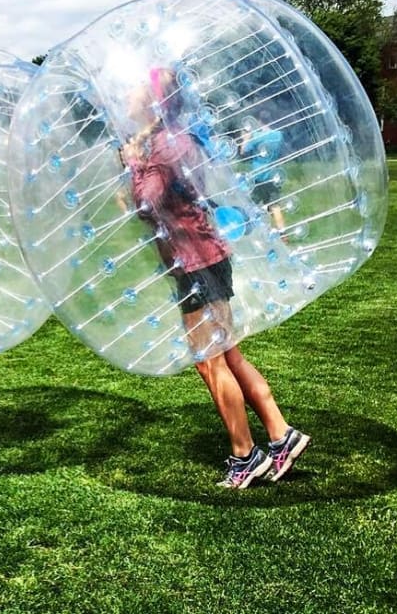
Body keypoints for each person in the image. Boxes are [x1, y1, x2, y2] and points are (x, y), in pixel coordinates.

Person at [121, 67, 309, 488]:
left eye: (135, 86)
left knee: (210, 362)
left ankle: (245, 455)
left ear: (155, 101)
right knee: (230, 355)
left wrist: (133, 167)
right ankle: (281, 435)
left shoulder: (165, 145)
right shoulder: (173, 139)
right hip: (206, 256)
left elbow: (148, 204)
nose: (127, 93)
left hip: (194, 263)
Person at [239, 109, 286, 234]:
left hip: (258, 176)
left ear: (259, 121)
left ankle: (245, 228)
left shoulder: (256, 137)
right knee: (275, 206)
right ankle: (283, 233)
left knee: (251, 204)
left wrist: (245, 138)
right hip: (272, 175)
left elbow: (243, 151)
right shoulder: (278, 135)